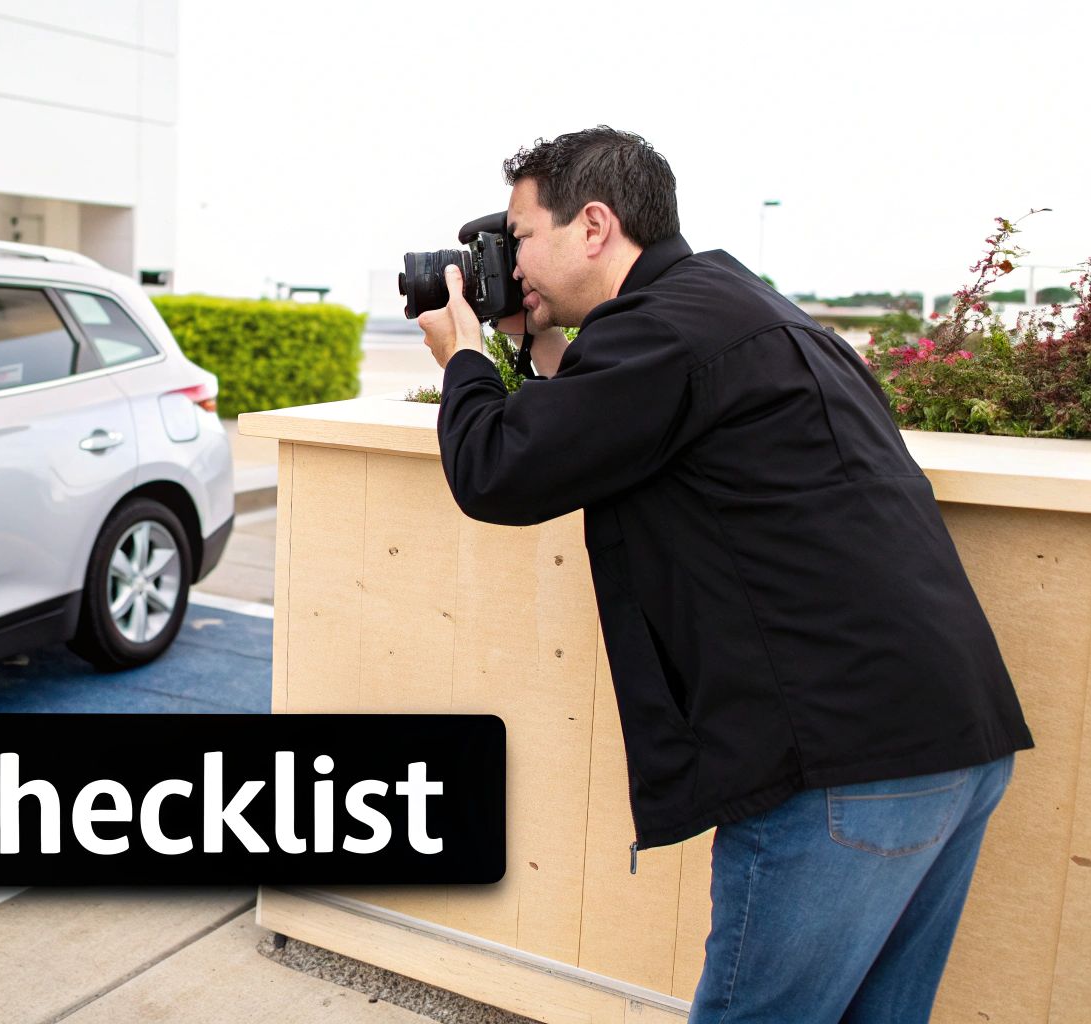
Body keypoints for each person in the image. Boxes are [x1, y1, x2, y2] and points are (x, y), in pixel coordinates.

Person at [417, 128, 1033, 1022]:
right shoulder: (731, 305)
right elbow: (585, 432)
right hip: (949, 738)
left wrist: (465, 358)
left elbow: (501, 472)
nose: (509, 263)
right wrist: (529, 342)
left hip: (840, 765)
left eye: (519, 238)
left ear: (594, 225)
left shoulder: (664, 331)